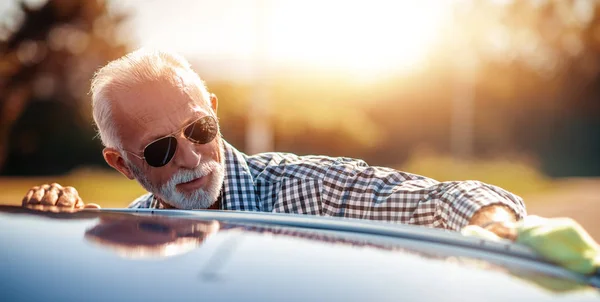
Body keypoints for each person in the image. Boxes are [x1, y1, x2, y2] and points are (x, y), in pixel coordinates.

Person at [21, 48, 525, 236]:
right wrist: (61, 234)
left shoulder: (304, 188)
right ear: (121, 164)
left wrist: (494, 223)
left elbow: (440, 199)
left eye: (199, 129)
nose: (192, 156)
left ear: (214, 112)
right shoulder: (132, 232)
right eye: (159, 150)